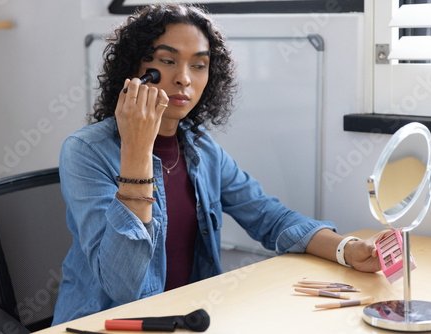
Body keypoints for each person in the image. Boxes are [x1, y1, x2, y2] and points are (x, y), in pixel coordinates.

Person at [52, 3, 390, 325]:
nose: (184, 78)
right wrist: (138, 151)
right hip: (106, 323)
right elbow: (121, 284)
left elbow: (267, 216)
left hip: (185, 318)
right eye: (167, 61)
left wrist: (347, 249)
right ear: (135, 73)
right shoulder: (85, 151)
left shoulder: (201, 148)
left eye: (198, 65)